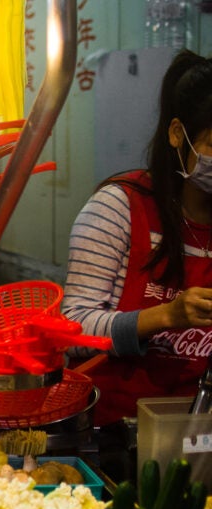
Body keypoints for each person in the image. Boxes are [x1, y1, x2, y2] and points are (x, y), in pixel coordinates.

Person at [62, 50, 212, 427]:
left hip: (193, 437)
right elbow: (71, 330)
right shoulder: (119, 207)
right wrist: (167, 316)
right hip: (108, 434)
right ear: (178, 134)